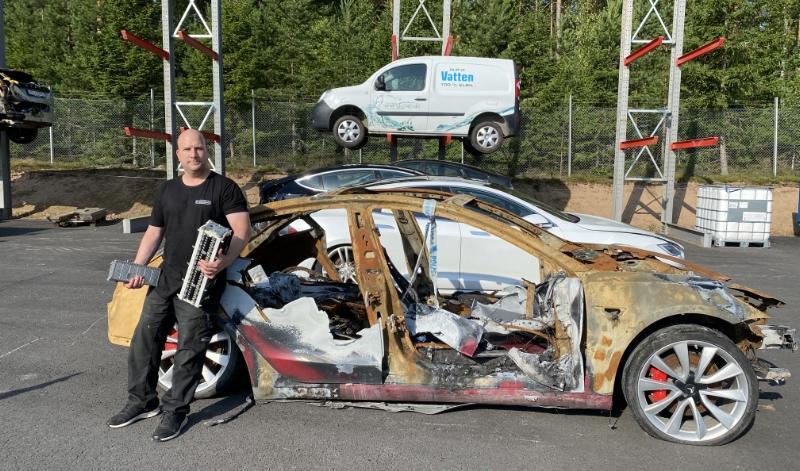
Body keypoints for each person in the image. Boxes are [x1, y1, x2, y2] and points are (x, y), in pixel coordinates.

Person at [107, 129, 250, 442]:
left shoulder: (223, 188)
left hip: (201, 283)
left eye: (198, 148)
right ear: (177, 155)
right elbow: (153, 233)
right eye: (186, 149)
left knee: (189, 348)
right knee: (144, 339)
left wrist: (223, 262)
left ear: (206, 151)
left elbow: (242, 229)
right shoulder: (169, 189)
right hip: (165, 280)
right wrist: (138, 267)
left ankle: (176, 412)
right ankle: (142, 402)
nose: (193, 154)